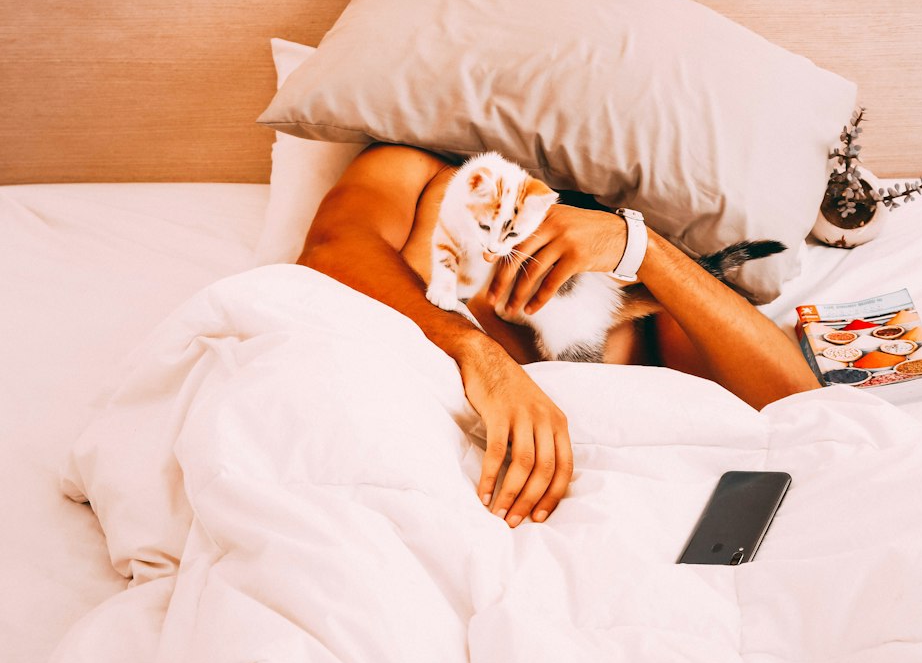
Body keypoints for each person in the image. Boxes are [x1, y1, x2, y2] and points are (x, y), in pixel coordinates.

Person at [298, 144, 820, 531]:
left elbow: (799, 409)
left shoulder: (632, 276)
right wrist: (477, 352)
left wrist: (639, 247)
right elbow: (331, 254)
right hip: (375, 476)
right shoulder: (417, 175)